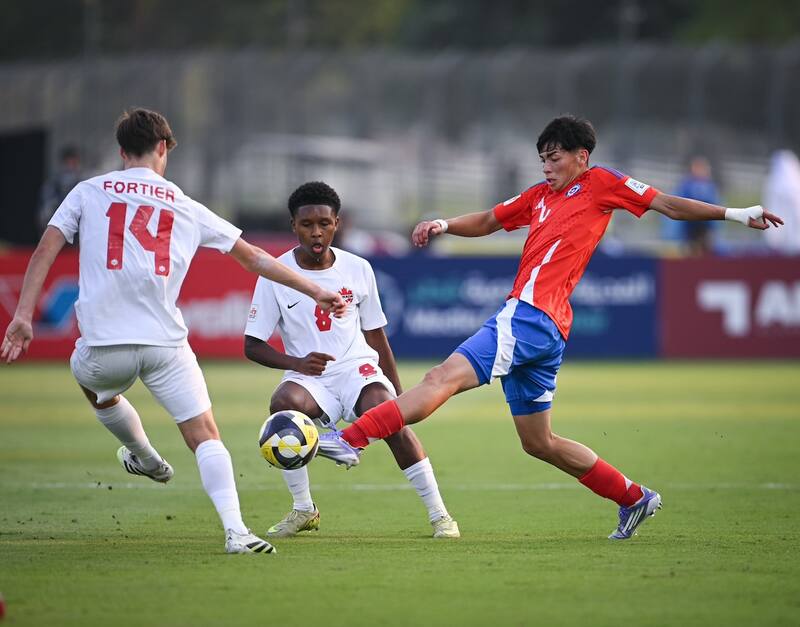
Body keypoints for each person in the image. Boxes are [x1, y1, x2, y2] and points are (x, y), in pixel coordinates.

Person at [317, 115, 783, 541]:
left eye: (554, 156)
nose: (546, 165)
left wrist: (736, 214)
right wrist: (443, 223)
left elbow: (666, 204)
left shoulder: (602, 182)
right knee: (538, 442)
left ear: (582, 156)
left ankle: (349, 438)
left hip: (530, 315)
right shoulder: (539, 197)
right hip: (547, 330)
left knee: (441, 378)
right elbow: (488, 220)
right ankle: (633, 497)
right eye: (542, 157)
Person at [1, 108, 346, 555]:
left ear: (122, 151)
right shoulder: (183, 203)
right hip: (165, 345)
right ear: (163, 148)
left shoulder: (87, 192)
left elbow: (46, 249)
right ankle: (236, 531)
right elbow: (255, 258)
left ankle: (143, 456)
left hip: (104, 345)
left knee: (96, 389)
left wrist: (24, 315)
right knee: (205, 434)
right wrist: (315, 289)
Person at [244, 181, 459, 539]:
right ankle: (303, 510)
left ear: (337, 224)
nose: (316, 232)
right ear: (293, 226)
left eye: (324, 224)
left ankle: (440, 516)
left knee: (386, 412)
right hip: (310, 377)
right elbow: (252, 345)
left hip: (356, 368)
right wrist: (296, 363)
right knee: (283, 407)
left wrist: (401, 397)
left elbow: (376, 336)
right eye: (307, 224)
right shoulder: (275, 275)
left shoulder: (358, 268)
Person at [667, 156, 721, 255]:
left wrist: (714, 226)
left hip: (705, 225)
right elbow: (679, 203)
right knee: (691, 251)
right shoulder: (687, 184)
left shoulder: (710, 185)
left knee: (706, 252)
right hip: (690, 224)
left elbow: (715, 205)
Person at [38, 145, 82, 234]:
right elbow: (46, 208)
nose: (73, 165)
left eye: (75, 162)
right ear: (65, 162)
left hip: (76, 227)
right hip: (58, 225)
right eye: (71, 161)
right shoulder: (53, 183)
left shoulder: (81, 182)